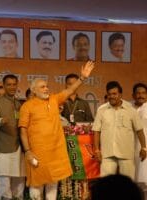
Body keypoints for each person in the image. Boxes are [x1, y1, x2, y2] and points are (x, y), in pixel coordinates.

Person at [19, 61, 94, 200]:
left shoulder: (54, 100)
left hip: (55, 152)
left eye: (47, 86)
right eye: (42, 87)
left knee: (53, 184)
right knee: (37, 186)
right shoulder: (27, 106)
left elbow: (70, 90)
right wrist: (28, 151)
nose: (46, 89)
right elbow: (23, 130)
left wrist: (82, 77)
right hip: (38, 153)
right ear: (34, 90)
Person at [92, 81, 147, 180]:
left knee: (128, 184)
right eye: (109, 94)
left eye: (114, 94)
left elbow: (139, 130)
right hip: (107, 154)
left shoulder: (130, 110)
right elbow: (96, 131)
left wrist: (144, 148)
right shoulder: (102, 110)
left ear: (120, 94)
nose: (111, 96)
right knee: (106, 185)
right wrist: (96, 150)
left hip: (126, 154)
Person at [0, 74, 25, 200]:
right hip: (3, 149)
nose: (12, 87)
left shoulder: (20, 104)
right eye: (9, 84)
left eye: (14, 84)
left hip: (19, 149)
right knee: (5, 186)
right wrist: (0, 120)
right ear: (4, 86)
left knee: (19, 184)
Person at [132, 83, 147, 187]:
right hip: (130, 146)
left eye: (143, 93)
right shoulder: (128, 107)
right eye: (138, 93)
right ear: (133, 95)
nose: (140, 95)